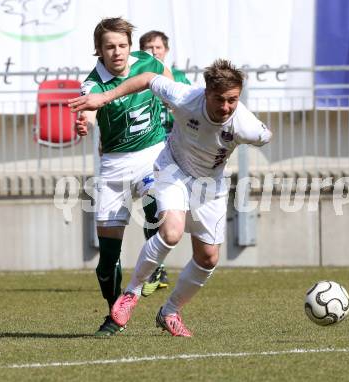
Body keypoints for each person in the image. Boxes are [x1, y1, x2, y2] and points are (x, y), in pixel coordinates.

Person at [69, 59, 272, 337]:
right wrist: (104, 97)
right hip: (172, 169)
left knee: (209, 258)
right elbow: (147, 78)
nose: (225, 107)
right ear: (206, 92)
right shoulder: (186, 97)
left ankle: (170, 311)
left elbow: (264, 134)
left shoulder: (247, 126)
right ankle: (131, 293)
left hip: (210, 186)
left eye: (232, 100)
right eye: (219, 99)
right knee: (172, 232)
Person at [75, 17, 172, 337]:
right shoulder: (93, 83)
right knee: (108, 257)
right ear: (98, 51)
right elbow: (89, 109)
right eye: (109, 47)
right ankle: (114, 311)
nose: (117, 52)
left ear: (130, 46)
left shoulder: (148, 62)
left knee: (156, 207)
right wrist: (84, 123)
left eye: (122, 46)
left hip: (152, 156)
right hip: (115, 166)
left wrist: (175, 107)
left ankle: (156, 266)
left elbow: (168, 81)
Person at [138, 30, 191, 297]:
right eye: (148, 48)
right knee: (150, 204)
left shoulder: (179, 79)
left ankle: (193, 264)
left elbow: (193, 114)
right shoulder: (138, 81)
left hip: (181, 155)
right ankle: (156, 267)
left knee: (180, 215)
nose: (153, 52)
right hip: (152, 154)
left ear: (166, 51)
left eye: (157, 47)